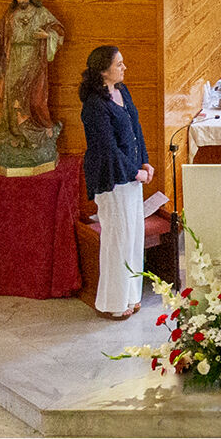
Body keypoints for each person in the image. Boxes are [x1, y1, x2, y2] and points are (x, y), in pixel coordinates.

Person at [78, 45, 152, 319]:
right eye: (119, 64)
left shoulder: (123, 92)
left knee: (134, 237)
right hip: (111, 178)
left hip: (131, 175)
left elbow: (136, 128)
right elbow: (107, 148)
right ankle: (112, 302)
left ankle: (131, 296)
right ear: (103, 71)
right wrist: (135, 172)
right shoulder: (95, 106)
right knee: (117, 240)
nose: (124, 68)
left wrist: (144, 161)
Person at [0, 0, 64, 154]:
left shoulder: (41, 13)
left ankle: (36, 132)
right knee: (13, 93)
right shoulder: (12, 14)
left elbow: (59, 30)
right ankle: (16, 133)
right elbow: (0, 34)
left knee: (31, 95)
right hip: (14, 57)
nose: (20, 0)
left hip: (33, 56)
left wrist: (47, 35)